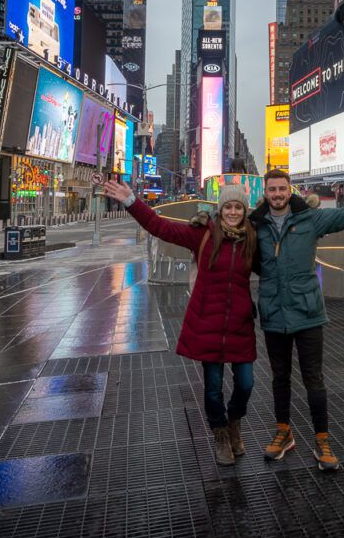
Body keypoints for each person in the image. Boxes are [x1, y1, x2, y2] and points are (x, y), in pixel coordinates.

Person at [249, 168, 344, 471]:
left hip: (307, 312)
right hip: (273, 312)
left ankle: (322, 440)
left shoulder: (310, 218)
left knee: (314, 379)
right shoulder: (256, 224)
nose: (278, 195)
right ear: (265, 193)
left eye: (282, 189)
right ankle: (284, 432)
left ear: (290, 189)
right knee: (279, 378)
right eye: (272, 190)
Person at [104, 178, 258, 466]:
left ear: (244, 211)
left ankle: (235, 421)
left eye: (239, 207)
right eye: (229, 207)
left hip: (239, 325)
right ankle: (221, 433)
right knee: (212, 388)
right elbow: (160, 227)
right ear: (220, 209)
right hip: (207, 324)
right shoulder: (202, 235)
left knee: (246, 384)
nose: (234, 212)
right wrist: (130, 201)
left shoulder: (251, 238)